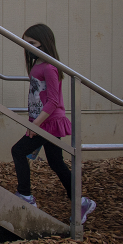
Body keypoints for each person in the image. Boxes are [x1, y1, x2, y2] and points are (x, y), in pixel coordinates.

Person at [12, 24, 97, 223]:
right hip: (41, 121)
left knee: (18, 151)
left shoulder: (49, 67)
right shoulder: (37, 65)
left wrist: (36, 124)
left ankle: (25, 194)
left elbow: (53, 101)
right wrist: (32, 121)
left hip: (49, 122)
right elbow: (37, 97)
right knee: (56, 162)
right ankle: (81, 201)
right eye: (25, 42)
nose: (27, 46)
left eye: (31, 43)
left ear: (44, 43)